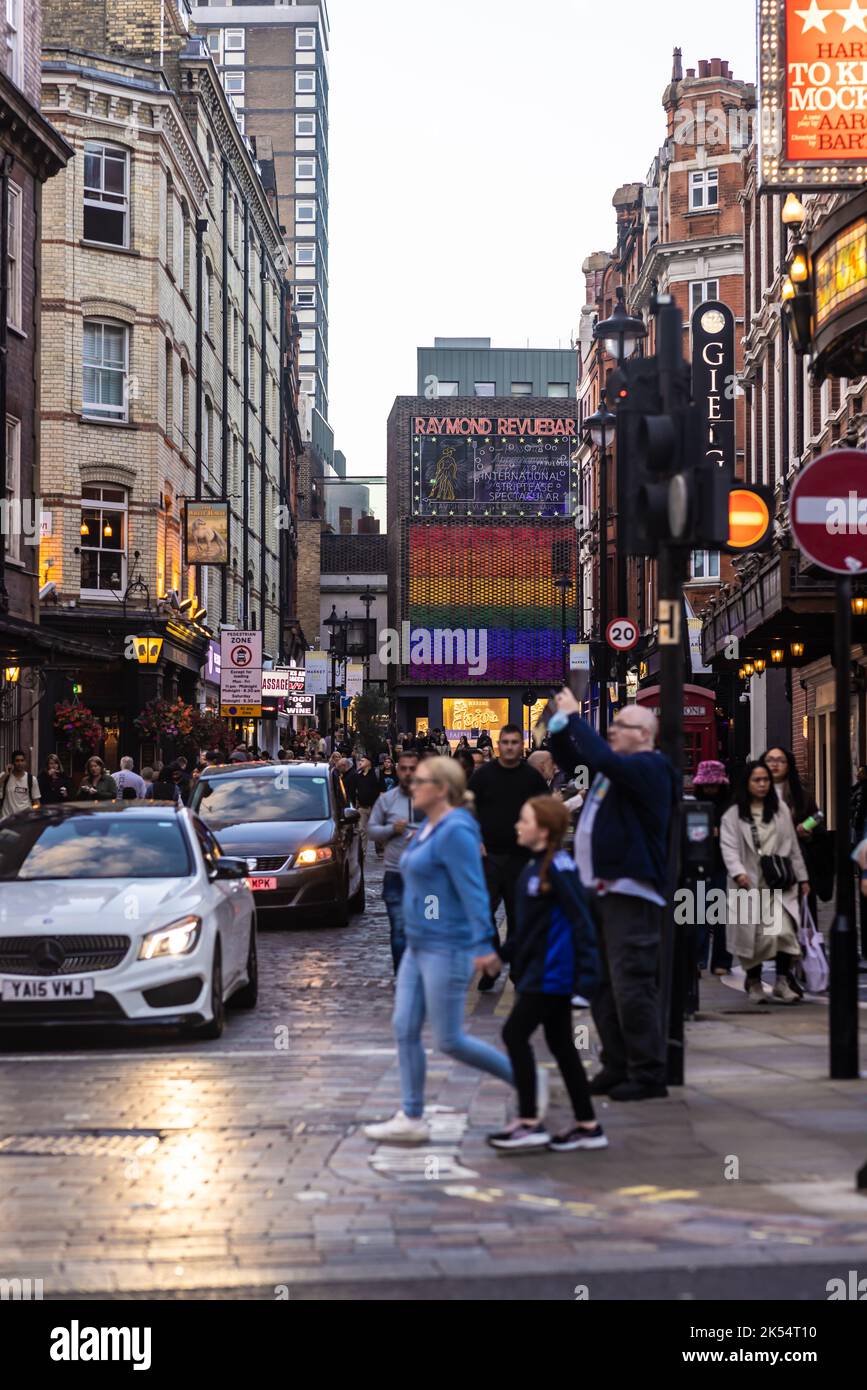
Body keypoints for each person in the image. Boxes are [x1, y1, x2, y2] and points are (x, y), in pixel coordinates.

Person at [364, 757, 516, 1144]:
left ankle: (527, 1082)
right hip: (418, 944)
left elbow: (473, 890)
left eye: (424, 779)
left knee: (449, 1039)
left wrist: (483, 944)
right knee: (404, 1027)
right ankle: (412, 1116)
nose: (413, 783)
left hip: (445, 945)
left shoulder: (456, 831)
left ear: (443, 789)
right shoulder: (431, 826)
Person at [548, 689, 675, 1102]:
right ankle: (617, 1063)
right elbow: (573, 763)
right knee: (600, 984)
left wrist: (574, 716)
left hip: (629, 892)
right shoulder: (612, 771)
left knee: (631, 983)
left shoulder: (651, 767)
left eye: (619, 726)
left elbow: (599, 756)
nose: (612, 731)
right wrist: (557, 729)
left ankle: (648, 1071)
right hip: (598, 891)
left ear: (643, 733)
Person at [488, 796, 606, 1153]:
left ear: (542, 829)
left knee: (514, 1033)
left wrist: (587, 980)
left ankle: (528, 1122)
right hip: (541, 971)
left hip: (552, 975)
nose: (517, 826)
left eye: (523, 820)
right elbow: (526, 929)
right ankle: (588, 1125)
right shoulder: (535, 867)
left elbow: (583, 923)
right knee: (562, 1047)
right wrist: (501, 956)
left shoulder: (557, 868)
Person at [721, 760, 810, 1004]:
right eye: (756, 780)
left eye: (765, 780)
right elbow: (728, 847)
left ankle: (782, 980)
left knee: (782, 932)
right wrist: (738, 872)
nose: (762, 784)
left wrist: (802, 878)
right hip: (748, 885)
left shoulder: (780, 810)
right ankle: (754, 981)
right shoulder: (734, 814)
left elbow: (793, 848)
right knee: (754, 938)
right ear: (747, 783)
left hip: (778, 884)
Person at [468, 724, 548, 992]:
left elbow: (544, 811)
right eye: (506, 742)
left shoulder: (531, 777)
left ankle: (517, 967)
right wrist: (475, 839)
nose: (511, 747)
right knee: (483, 914)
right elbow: (467, 810)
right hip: (488, 855)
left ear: (520, 745)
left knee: (519, 916)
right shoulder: (483, 776)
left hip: (521, 858)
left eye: (515, 742)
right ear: (499, 745)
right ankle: (493, 963)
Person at [368, 750, 423, 973]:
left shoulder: (431, 797)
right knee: (399, 928)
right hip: (395, 875)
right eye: (404, 768)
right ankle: (403, 976)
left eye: (413, 768)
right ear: (398, 770)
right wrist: (392, 829)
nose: (408, 773)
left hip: (426, 878)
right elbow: (371, 830)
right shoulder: (386, 800)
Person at [763, 746, 831, 914]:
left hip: (796, 866)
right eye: (770, 760)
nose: (775, 765)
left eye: (780, 761)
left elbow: (818, 822)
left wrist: (808, 833)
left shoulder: (801, 795)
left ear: (789, 765)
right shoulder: (755, 794)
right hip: (765, 864)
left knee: (798, 917)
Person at [692, 760, 733, 976]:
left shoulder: (730, 807)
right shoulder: (692, 804)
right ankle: (698, 960)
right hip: (698, 865)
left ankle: (721, 961)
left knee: (720, 918)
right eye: (706, 786)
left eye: (713, 786)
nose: (710, 789)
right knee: (697, 915)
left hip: (723, 864)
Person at [352, 754, 380, 858]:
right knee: (361, 830)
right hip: (362, 807)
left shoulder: (376, 774)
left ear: (369, 762)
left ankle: (380, 850)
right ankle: (362, 852)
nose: (360, 762)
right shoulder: (358, 776)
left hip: (374, 807)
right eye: (360, 761)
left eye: (362, 761)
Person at [0, 749, 41, 816]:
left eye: (22, 760)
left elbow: (36, 801)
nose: (20, 763)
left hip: (24, 820)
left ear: (25, 762)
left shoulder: (31, 779)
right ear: (12, 762)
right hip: (7, 819)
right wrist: (6, 774)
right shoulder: (4, 776)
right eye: (17, 761)